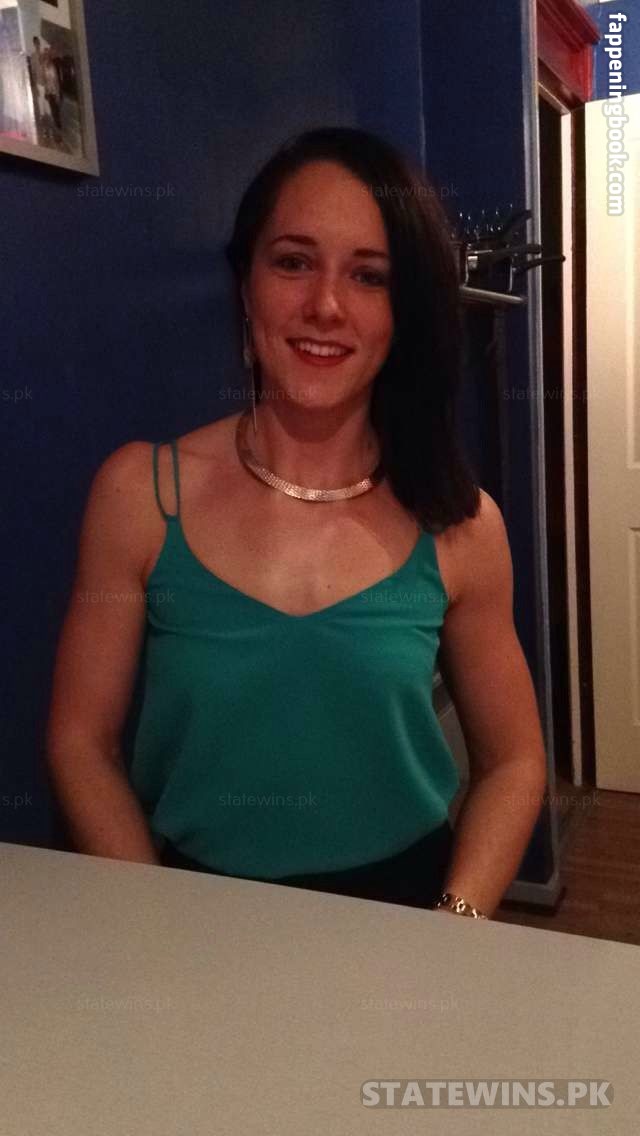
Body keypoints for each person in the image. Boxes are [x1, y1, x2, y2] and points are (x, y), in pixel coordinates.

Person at [46, 127, 547, 920]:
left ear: (404, 309)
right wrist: (150, 923)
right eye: (292, 262)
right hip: (186, 917)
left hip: (404, 928)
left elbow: (514, 761)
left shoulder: (460, 522)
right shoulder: (140, 494)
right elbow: (82, 744)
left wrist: (454, 926)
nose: (326, 306)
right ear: (245, 284)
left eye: (369, 276)